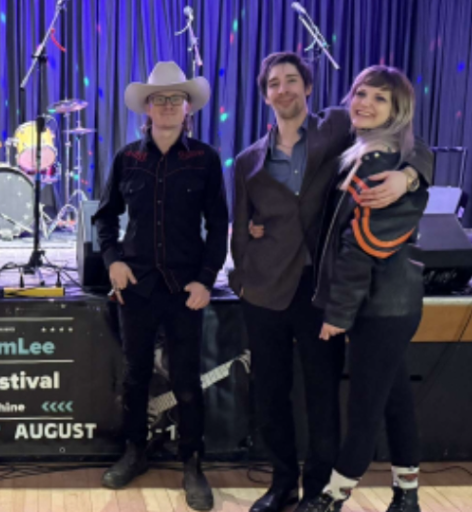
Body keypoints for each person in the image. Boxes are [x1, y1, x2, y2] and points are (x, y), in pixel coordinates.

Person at [229, 52, 432, 512]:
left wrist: (408, 176)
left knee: (322, 395)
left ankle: (320, 489)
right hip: (264, 289)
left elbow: (411, 140)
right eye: (274, 83)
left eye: (292, 80)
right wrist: (240, 278)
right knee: (270, 394)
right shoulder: (246, 161)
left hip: (322, 286)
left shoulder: (341, 126)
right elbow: (241, 226)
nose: (283, 89)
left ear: (308, 87)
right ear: (265, 95)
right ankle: (282, 484)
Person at [93, 61, 229, 511]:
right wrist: (113, 262)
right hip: (136, 285)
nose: (168, 105)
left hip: (185, 289)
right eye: (159, 99)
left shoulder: (205, 159)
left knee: (186, 380)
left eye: (176, 98)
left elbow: (219, 224)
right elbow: (105, 218)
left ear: (188, 107)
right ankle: (134, 452)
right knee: (135, 376)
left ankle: (192, 463)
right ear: (147, 108)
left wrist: (206, 280)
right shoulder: (127, 158)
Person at [299, 66, 428, 512]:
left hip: (382, 306)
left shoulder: (380, 163)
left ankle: (332, 498)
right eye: (360, 93)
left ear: (397, 110)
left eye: (379, 98)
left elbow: (358, 250)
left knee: (365, 408)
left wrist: (338, 313)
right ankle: (407, 496)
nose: (364, 103)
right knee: (395, 399)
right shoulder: (367, 151)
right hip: (386, 304)